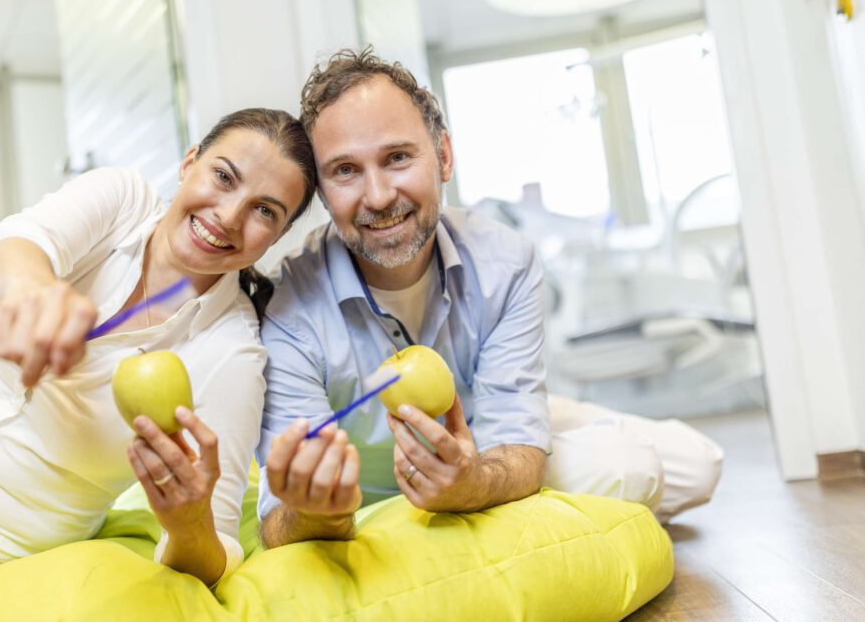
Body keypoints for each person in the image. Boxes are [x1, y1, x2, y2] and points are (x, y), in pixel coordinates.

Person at [0, 108, 317, 620]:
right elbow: (13, 246)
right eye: (223, 177)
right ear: (189, 163)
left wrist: (188, 523)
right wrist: (33, 289)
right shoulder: (123, 201)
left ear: (279, 235)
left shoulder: (232, 353)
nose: (228, 215)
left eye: (265, 211)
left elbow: (214, 549)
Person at [256, 49, 724, 548]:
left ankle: (536, 482)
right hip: (376, 498)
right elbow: (280, 520)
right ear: (323, 191)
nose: (377, 196)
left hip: (491, 434)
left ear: (443, 156)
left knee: (698, 466)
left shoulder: (505, 260)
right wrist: (319, 512)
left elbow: (513, 445)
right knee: (624, 467)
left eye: (397, 158)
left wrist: (474, 482)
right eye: (345, 170)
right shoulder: (288, 309)